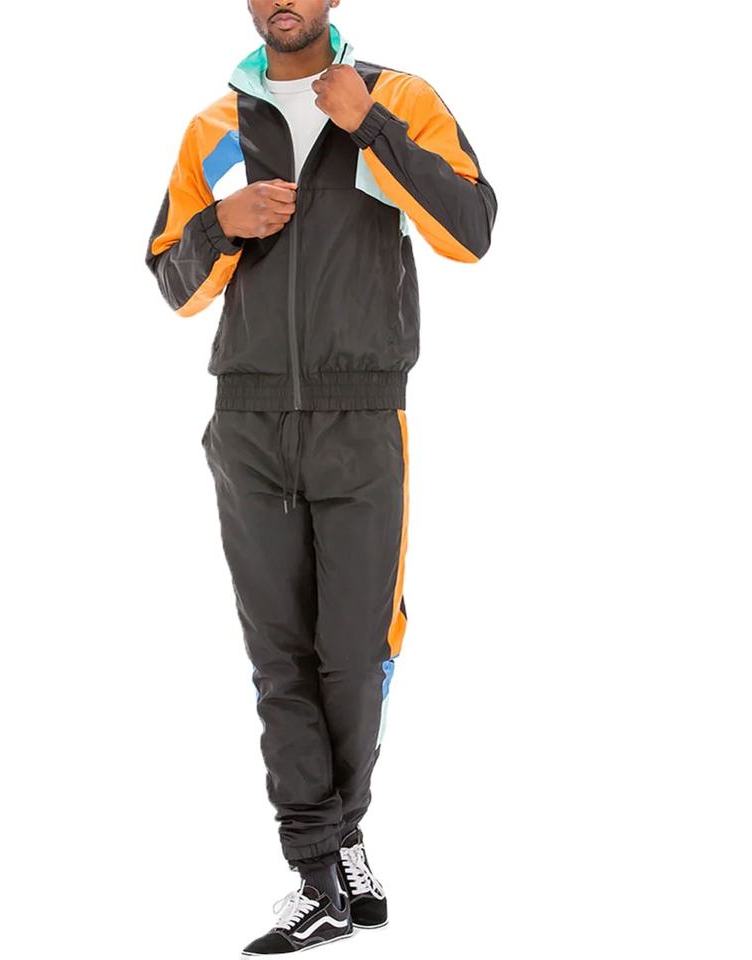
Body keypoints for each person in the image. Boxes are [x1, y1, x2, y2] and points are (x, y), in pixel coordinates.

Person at [144, 2, 496, 954]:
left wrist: (367, 125)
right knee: (280, 660)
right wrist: (221, 225)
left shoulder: (400, 98)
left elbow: (470, 230)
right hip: (248, 423)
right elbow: (173, 282)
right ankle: (318, 872)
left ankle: (340, 840)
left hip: (360, 419)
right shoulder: (214, 127)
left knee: (356, 654)